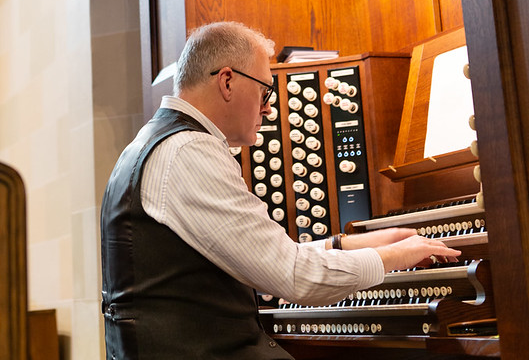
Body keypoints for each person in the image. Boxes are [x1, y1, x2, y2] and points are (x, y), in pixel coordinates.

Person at [101, 21, 460, 359]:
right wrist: (398, 257)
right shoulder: (189, 151)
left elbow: (259, 258)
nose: (269, 108)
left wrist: (348, 243)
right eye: (265, 90)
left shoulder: (157, 143)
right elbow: (294, 276)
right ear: (227, 82)